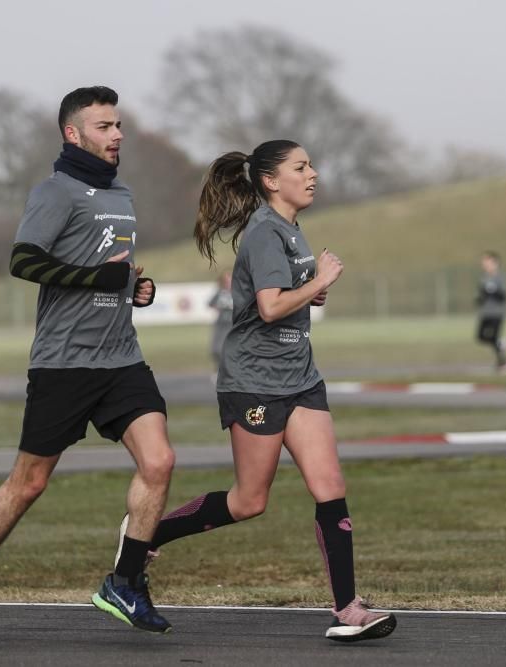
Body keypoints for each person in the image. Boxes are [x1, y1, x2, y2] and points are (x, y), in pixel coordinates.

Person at [113, 140, 397, 643]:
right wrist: (320, 280)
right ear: (271, 180)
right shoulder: (265, 232)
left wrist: (312, 287)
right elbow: (268, 307)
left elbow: (283, 297)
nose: (313, 173)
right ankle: (146, 536)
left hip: (301, 378)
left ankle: (347, 609)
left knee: (330, 486)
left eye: (311, 164)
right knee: (249, 502)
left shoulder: (290, 229)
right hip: (255, 384)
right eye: (300, 167)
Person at [0, 86, 176, 648]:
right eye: (103, 126)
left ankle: (125, 581)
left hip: (121, 357)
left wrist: (134, 289)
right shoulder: (56, 192)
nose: (116, 134)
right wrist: (103, 279)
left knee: (160, 460)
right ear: (73, 134)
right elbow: (23, 260)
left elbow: (113, 270)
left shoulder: (122, 194)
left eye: (117, 125)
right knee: (28, 484)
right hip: (64, 365)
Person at [475, 251, 506, 372]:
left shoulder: (500, 277)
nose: (484, 265)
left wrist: (493, 291)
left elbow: (504, 296)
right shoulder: (483, 278)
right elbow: (481, 296)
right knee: (480, 337)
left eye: (487, 262)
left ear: (495, 263)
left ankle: (502, 362)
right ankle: (502, 345)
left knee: (494, 336)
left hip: (497, 313)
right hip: (485, 313)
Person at [208, 271, 234, 376]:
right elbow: (210, 303)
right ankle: (218, 369)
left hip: (232, 324)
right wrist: (219, 308)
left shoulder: (238, 292)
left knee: (229, 349)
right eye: (227, 279)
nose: (229, 281)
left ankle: (229, 371)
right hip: (220, 323)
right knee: (216, 349)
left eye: (230, 279)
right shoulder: (220, 292)